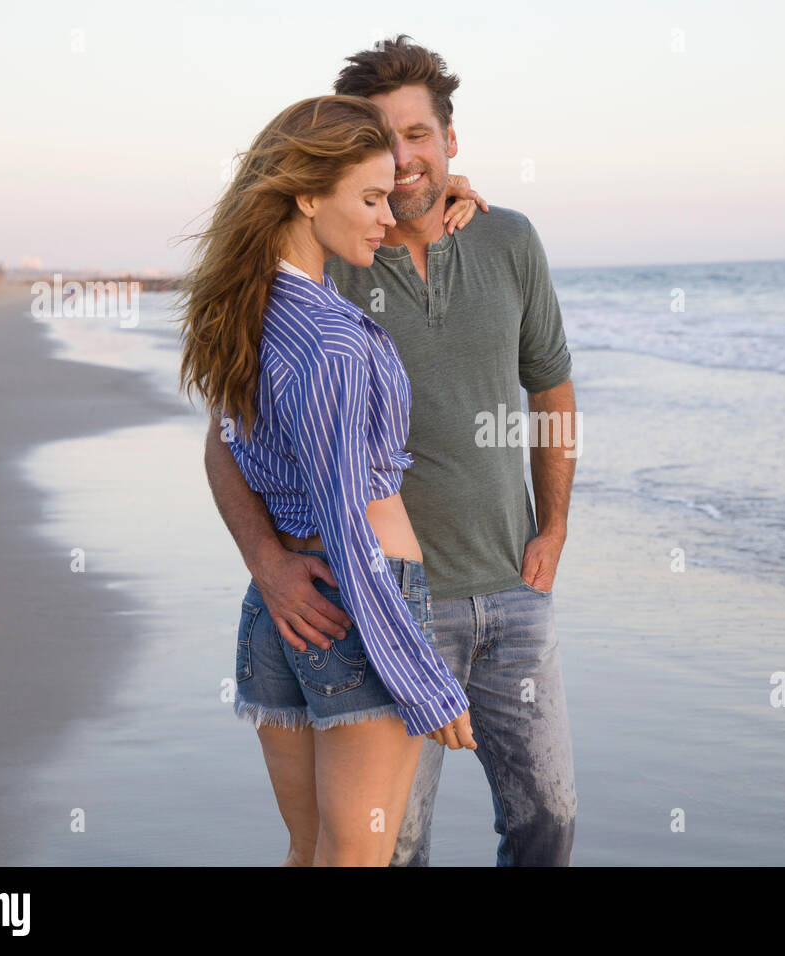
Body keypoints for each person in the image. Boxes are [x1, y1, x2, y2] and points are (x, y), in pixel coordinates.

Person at [203, 35, 579, 866]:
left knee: (545, 821)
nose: (402, 164)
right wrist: (268, 562)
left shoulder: (505, 239)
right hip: (385, 598)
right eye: (379, 146)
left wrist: (552, 529)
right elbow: (237, 441)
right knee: (383, 849)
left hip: (508, 589)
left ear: (451, 140)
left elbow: (549, 386)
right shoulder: (334, 269)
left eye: (418, 136)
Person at [178, 94, 488, 867]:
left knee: (310, 848)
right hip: (358, 607)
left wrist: (454, 191)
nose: (388, 217)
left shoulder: (247, 315)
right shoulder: (329, 343)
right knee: (355, 857)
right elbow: (347, 526)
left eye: (391, 196)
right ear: (308, 195)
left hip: (281, 606)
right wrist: (424, 677)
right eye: (372, 198)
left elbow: (230, 448)